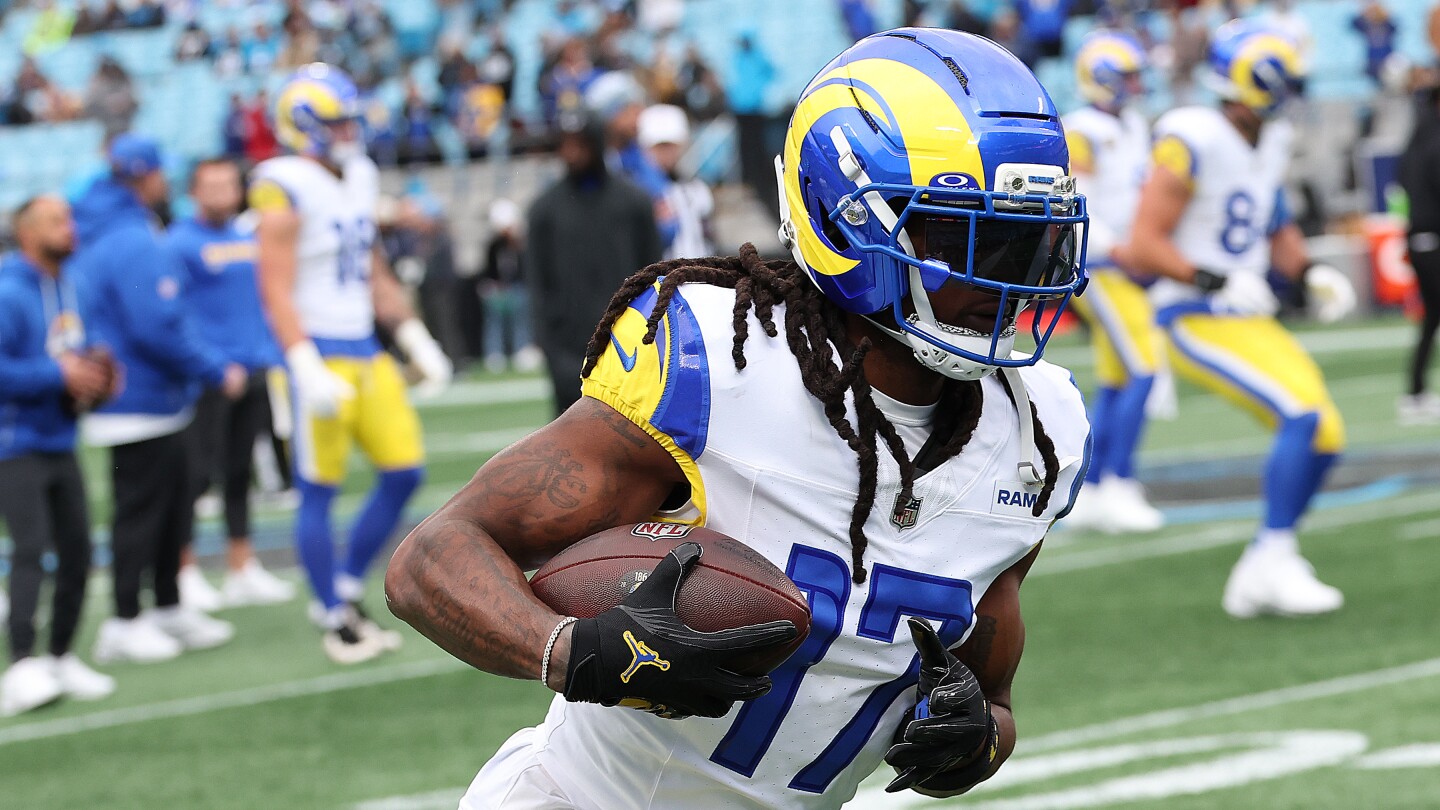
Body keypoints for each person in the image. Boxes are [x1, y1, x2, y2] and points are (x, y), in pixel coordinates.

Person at [386, 28, 1091, 808]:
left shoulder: (1041, 432)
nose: (1011, 278)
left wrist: (975, 737)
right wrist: (573, 649)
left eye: (1031, 241)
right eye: (972, 237)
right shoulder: (720, 363)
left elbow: (993, 696)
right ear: (849, 221)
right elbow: (430, 559)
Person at [1126, 21, 1358, 619]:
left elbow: (1274, 222)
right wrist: (1214, 279)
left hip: (1246, 316)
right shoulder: (1191, 136)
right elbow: (1144, 243)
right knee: (1301, 415)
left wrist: (1309, 273)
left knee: (1327, 435)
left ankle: (1266, 561)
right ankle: (1271, 558)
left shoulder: (1269, 138)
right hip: (1193, 315)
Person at [252, 63, 452, 665]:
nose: (348, 132)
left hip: (364, 347)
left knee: (404, 472)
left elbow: (370, 267)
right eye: (336, 122)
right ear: (302, 125)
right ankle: (332, 615)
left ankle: (343, 586)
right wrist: (302, 363)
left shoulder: (359, 173)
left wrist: (413, 334)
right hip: (315, 351)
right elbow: (274, 287)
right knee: (318, 488)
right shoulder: (280, 183)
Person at [71, 134, 244, 663]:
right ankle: (125, 619)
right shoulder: (130, 237)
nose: (165, 180)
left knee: (172, 506)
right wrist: (211, 368)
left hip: (152, 396)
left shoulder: (118, 229)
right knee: (142, 513)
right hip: (139, 397)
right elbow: (156, 323)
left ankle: (167, 605)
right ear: (142, 176)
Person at [0, 196, 118, 716]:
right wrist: (58, 374)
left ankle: (61, 654)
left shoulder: (73, 285)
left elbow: (84, 348)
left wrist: (100, 376)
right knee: (30, 549)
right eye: (56, 222)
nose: (69, 229)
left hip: (61, 438)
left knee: (78, 549)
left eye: (68, 219)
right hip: (13, 442)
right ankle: (21, 664)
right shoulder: (8, 291)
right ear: (27, 233)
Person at [170, 158, 296, 609]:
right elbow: (174, 315)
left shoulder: (246, 237)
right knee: (196, 476)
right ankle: (183, 571)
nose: (223, 192)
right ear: (193, 191)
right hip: (211, 376)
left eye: (229, 184)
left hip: (255, 368)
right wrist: (213, 365)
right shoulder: (179, 243)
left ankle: (241, 566)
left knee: (240, 473)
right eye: (212, 185)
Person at [1061, 31, 1166, 534]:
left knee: (1119, 377)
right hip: (1100, 266)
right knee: (1144, 369)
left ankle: (1092, 487)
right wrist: (1123, 251)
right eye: (1126, 76)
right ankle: (1119, 482)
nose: (1135, 84)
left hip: (1125, 262)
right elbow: (1077, 205)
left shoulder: (1132, 124)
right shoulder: (1083, 130)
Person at [524, 110, 661, 416]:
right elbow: (537, 282)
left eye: (580, 144)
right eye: (565, 145)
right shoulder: (544, 211)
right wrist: (550, 346)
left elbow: (653, 273)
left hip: (628, 343)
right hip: (569, 349)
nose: (572, 154)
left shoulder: (634, 203)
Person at [639, 103, 714, 261]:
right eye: (660, 147)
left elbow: (707, 236)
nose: (667, 153)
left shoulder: (697, 189)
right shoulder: (639, 191)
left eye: (671, 146)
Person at [478, 198, 540, 373]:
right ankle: (494, 353)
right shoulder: (494, 245)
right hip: (498, 290)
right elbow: (489, 269)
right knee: (495, 323)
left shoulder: (519, 245)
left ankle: (522, 350)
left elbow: (524, 268)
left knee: (521, 320)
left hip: (517, 289)